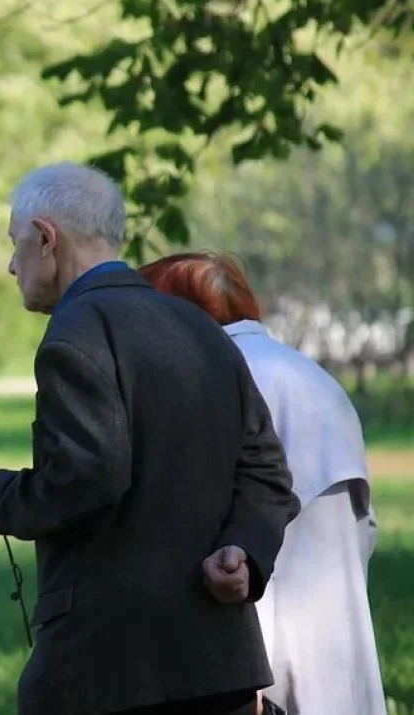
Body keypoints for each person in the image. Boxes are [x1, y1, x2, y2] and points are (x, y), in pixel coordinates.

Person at [0, 163, 301, 715]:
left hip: (110, 669)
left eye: (15, 243)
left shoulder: (76, 331)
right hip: (221, 665)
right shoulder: (199, 326)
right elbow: (267, 469)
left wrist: (0, 496)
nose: (11, 264)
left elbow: (91, 473)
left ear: (46, 238)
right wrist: (243, 548)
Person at [139, 251, 387, 715]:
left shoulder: (220, 377)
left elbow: (220, 530)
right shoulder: (310, 374)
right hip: (336, 631)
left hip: (258, 653)